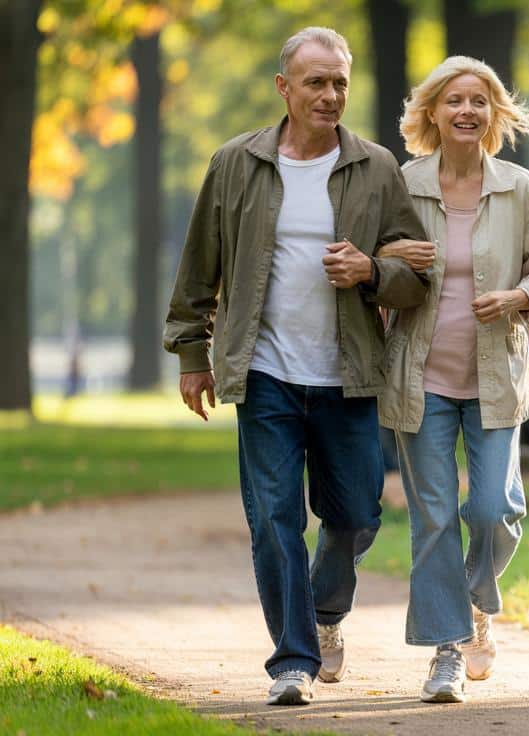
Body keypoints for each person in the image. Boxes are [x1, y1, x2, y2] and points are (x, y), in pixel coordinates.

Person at [162, 27, 428, 706]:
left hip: (349, 372)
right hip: (267, 374)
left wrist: (372, 270)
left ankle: (324, 611)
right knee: (274, 518)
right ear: (285, 88)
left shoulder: (376, 168)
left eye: (339, 82)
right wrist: (194, 354)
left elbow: (414, 276)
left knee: (358, 515)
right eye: (316, 82)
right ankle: (293, 661)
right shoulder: (235, 163)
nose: (330, 95)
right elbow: (200, 268)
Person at [375, 55, 529, 704]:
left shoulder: (519, 188)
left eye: (479, 101)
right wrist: (393, 256)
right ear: (431, 111)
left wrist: (517, 297)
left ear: (494, 115)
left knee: (493, 511)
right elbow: (371, 265)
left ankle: (476, 601)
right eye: (454, 100)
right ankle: (447, 651)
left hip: (495, 376)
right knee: (433, 519)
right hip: (419, 378)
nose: (466, 110)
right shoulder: (402, 185)